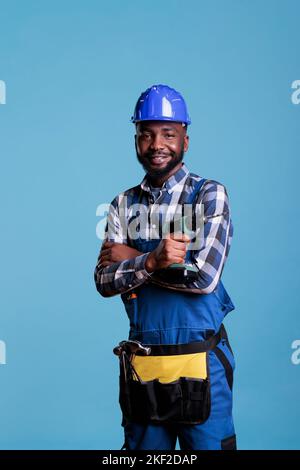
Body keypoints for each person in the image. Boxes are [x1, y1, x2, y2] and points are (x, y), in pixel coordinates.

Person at [94, 84, 236, 450]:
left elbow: (203, 277)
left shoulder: (208, 195)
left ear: (185, 140)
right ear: (136, 140)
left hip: (201, 364)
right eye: (146, 134)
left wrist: (136, 259)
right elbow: (104, 280)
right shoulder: (122, 204)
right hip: (143, 368)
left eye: (168, 134)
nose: (157, 144)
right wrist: (159, 260)